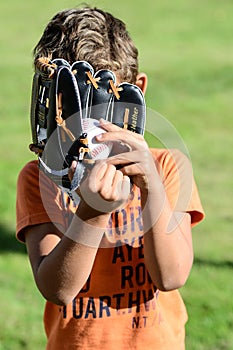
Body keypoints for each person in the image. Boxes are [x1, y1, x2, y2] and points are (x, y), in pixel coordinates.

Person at [16, 6, 205, 350]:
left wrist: (151, 188)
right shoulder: (39, 178)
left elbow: (172, 276)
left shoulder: (166, 167)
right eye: (69, 110)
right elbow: (58, 289)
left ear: (137, 92)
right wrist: (92, 212)